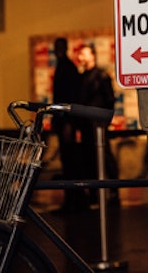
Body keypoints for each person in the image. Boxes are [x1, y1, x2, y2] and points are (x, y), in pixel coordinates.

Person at [77, 43, 119, 207]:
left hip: (98, 123)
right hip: (87, 123)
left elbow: (109, 99)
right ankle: (94, 193)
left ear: (93, 55)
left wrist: (105, 120)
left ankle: (114, 191)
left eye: (84, 54)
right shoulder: (82, 77)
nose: (81, 57)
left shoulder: (101, 76)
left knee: (105, 155)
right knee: (89, 158)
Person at [52, 37, 84, 212]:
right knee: (69, 161)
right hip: (64, 120)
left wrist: (68, 123)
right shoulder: (65, 67)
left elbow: (69, 99)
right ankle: (74, 200)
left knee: (70, 162)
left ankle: (73, 201)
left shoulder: (66, 68)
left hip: (66, 121)